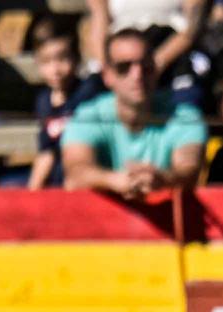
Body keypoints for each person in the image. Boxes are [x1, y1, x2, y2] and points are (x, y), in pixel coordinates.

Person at [60, 27, 207, 197]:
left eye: (146, 66)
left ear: (156, 70)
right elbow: (75, 175)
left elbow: (188, 171)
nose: (137, 75)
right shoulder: (87, 116)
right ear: (107, 75)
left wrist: (162, 179)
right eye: (124, 67)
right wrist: (116, 181)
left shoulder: (185, 117)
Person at [25, 14, 99, 190]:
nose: (55, 69)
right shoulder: (43, 101)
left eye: (62, 58)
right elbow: (46, 153)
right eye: (46, 61)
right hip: (56, 186)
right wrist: (32, 193)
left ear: (76, 58)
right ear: (37, 62)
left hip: (86, 183)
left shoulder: (89, 92)